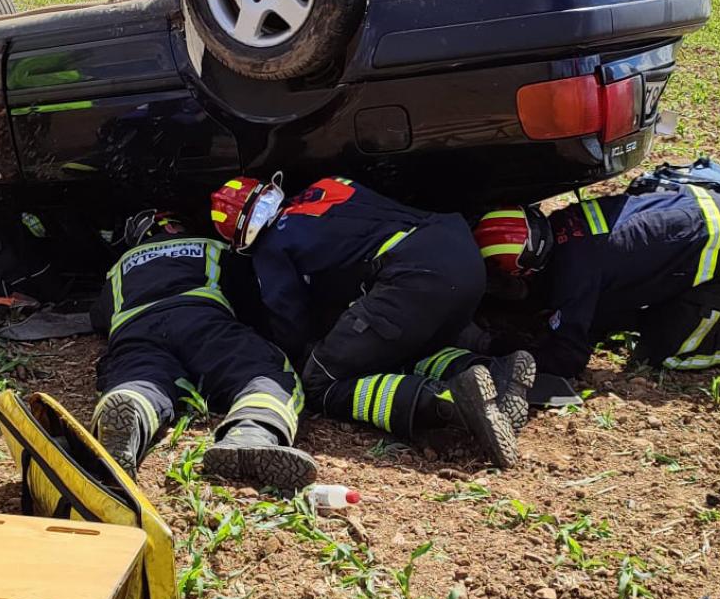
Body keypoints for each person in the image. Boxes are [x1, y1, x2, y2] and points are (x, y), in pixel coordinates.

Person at [210, 175, 527, 468]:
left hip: (413, 276)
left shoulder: (271, 248)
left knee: (321, 380)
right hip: (459, 253)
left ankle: (450, 402)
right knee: (403, 349)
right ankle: (497, 374)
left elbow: (289, 322)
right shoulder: (330, 184)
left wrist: (307, 352)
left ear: (239, 235)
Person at [474, 188, 720, 380]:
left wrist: (501, 354)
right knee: (660, 314)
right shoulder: (566, 220)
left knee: (667, 351)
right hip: (717, 214)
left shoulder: (574, 274)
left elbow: (569, 357)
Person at [90, 209, 317, 489]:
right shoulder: (212, 246)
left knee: (140, 377)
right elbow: (249, 295)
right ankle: (253, 431)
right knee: (262, 372)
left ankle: (131, 408)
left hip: (135, 328)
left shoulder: (119, 266)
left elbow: (100, 318)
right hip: (201, 318)